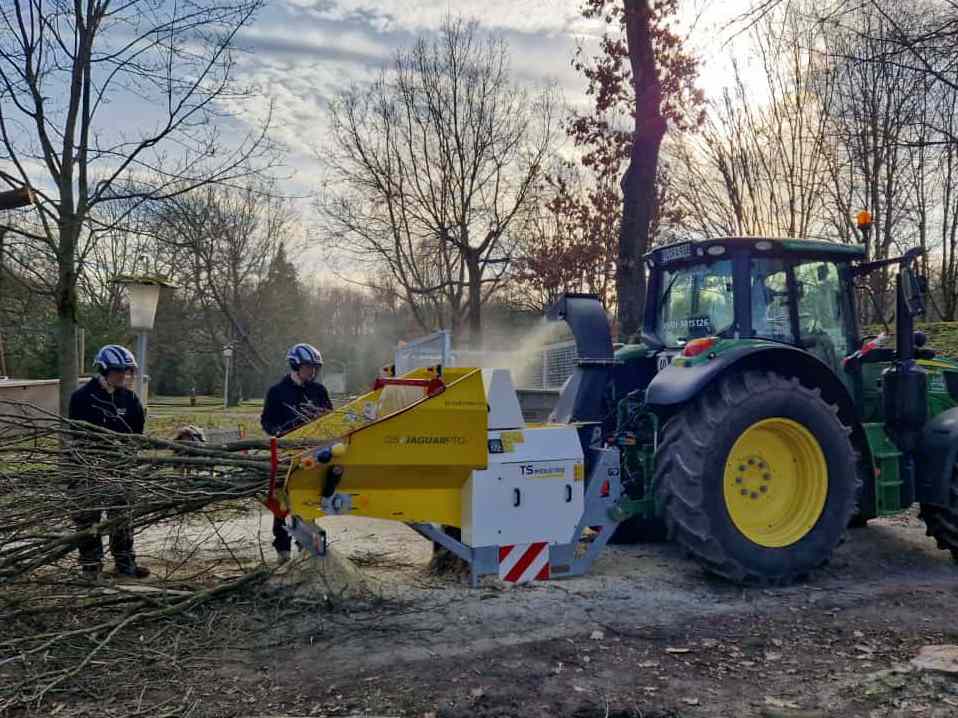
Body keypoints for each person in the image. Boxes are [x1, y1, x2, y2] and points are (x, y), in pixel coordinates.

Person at [69, 344, 150, 580]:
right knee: (88, 519)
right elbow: (79, 434)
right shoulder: (82, 397)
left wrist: (126, 457)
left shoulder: (131, 398)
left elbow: (136, 434)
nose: (123, 376)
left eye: (127, 371)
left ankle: (125, 564)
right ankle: (91, 568)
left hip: (121, 468)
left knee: (122, 516)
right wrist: (98, 460)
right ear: (104, 370)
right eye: (118, 371)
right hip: (88, 467)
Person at [260, 342, 333, 563]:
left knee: (309, 498)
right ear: (295, 365)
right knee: (283, 502)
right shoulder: (277, 391)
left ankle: (305, 545)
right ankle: (282, 549)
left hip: (313, 453)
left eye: (315, 368)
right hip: (285, 455)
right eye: (309, 367)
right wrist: (278, 432)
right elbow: (266, 420)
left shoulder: (319, 391)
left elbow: (330, 417)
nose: (312, 371)